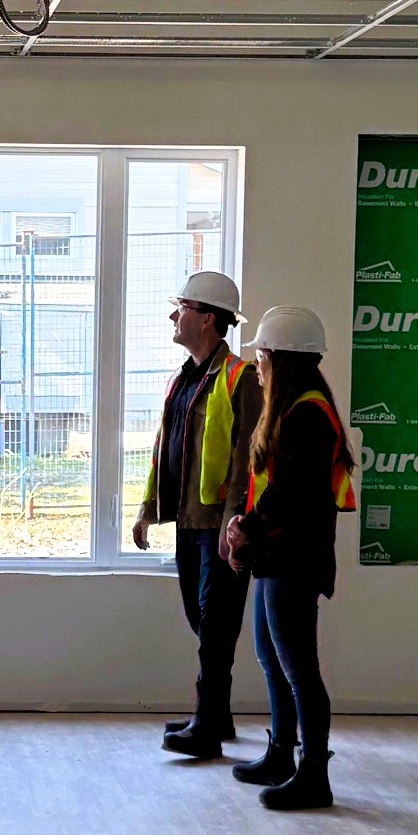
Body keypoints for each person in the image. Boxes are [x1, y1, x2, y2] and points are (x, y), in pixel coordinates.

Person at [221, 305, 356, 812]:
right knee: (271, 659)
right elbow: (269, 488)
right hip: (275, 557)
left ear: (281, 358)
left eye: (261, 354)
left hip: (294, 561)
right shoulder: (292, 407)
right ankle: (281, 754)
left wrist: (243, 530)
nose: (256, 363)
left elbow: (290, 496)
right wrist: (246, 530)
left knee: (299, 670)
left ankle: (314, 776)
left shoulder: (307, 415)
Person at [132, 269, 261, 760]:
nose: (174, 314)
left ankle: (206, 726)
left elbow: (249, 459)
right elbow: (163, 449)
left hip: (219, 527)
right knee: (200, 617)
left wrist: (235, 524)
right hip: (189, 522)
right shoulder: (183, 379)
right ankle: (217, 715)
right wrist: (147, 509)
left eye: (182, 307)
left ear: (207, 319)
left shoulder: (239, 377)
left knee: (216, 622)